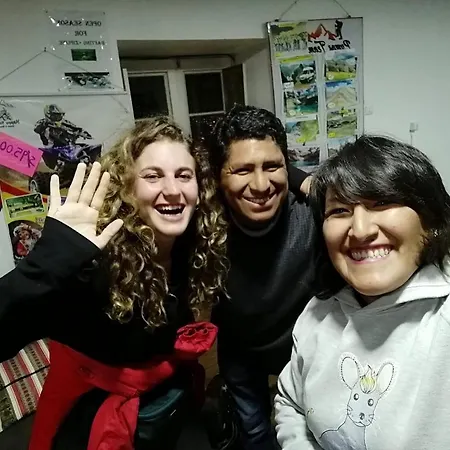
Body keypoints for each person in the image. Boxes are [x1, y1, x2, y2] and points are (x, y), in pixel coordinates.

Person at [0, 117, 228, 450]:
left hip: (160, 417)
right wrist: (49, 262)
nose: (173, 189)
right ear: (128, 188)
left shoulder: (192, 246)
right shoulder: (92, 265)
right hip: (87, 427)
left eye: (183, 175)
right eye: (152, 176)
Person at [275, 135, 450, 450]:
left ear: (431, 221)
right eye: (340, 210)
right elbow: (290, 402)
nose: (360, 230)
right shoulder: (318, 312)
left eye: (381, 203)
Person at [209, 105, 317, 450]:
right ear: (218, 176)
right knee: (254, 436)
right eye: (242, 170)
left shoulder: (316, 214)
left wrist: (306, 180)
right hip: (240, 353)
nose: (260, 185)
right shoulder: (203, 224)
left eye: (272, 167)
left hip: (305, 352)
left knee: (313, 431)